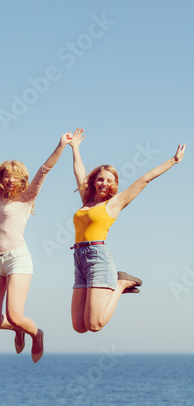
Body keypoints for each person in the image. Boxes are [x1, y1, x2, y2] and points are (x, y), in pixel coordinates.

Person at [68, 128, 186, 333]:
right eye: (101, 179)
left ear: (114, 185)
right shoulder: (86, 200)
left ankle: (121, 283)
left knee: (94, 325)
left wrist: (173, 161)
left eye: (109, 181)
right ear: (94, 181)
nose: (104, 183)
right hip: (78, 257)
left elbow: (144, 179)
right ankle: (118, 283)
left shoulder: (114, 204)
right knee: (79, 327)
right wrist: (75, 147)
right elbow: (78, 171)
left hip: (98, 258)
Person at [0, 123, 73, 363]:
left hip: (17, 259)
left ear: (22, 179)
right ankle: (18, 330)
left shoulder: (28, 197)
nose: (10, 179)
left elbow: (45, 170)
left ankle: (36, 333)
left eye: (15, 176)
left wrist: (61, 145)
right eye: (6, 175)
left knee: (14, 315)